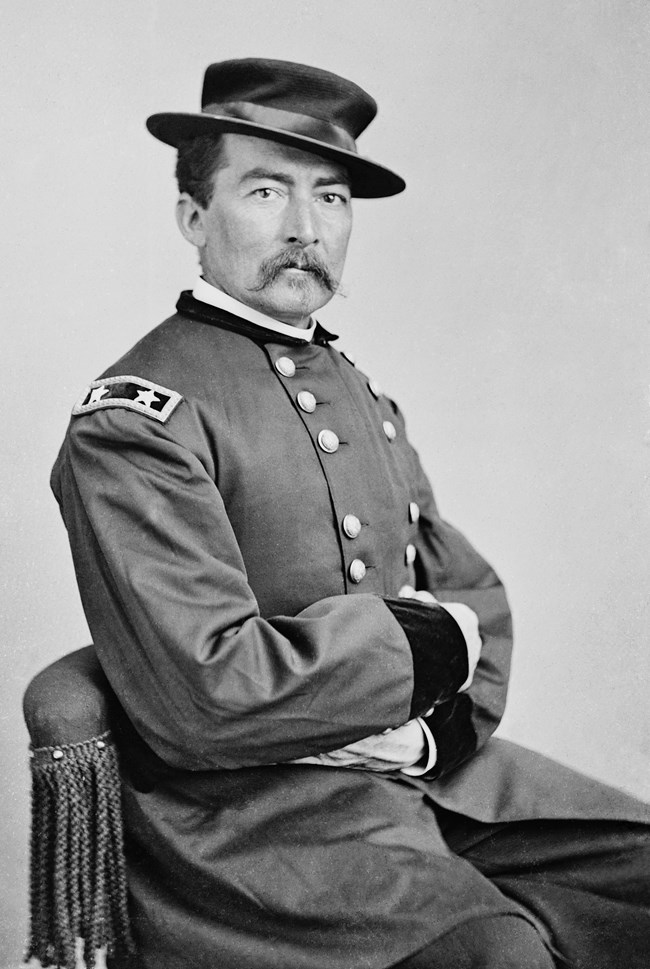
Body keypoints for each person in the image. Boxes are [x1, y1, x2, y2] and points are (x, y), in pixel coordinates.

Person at [51, 58, 650, 969]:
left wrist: (428, 733)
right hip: (247, 821)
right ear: (192, 218)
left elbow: (469, 594)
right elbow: (210, 695)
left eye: (331, 199)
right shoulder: (139, 420)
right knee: (497, 956)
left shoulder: (357, 389)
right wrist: (425, 649)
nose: (305, 229)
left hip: (415, 770)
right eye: (265, 190)